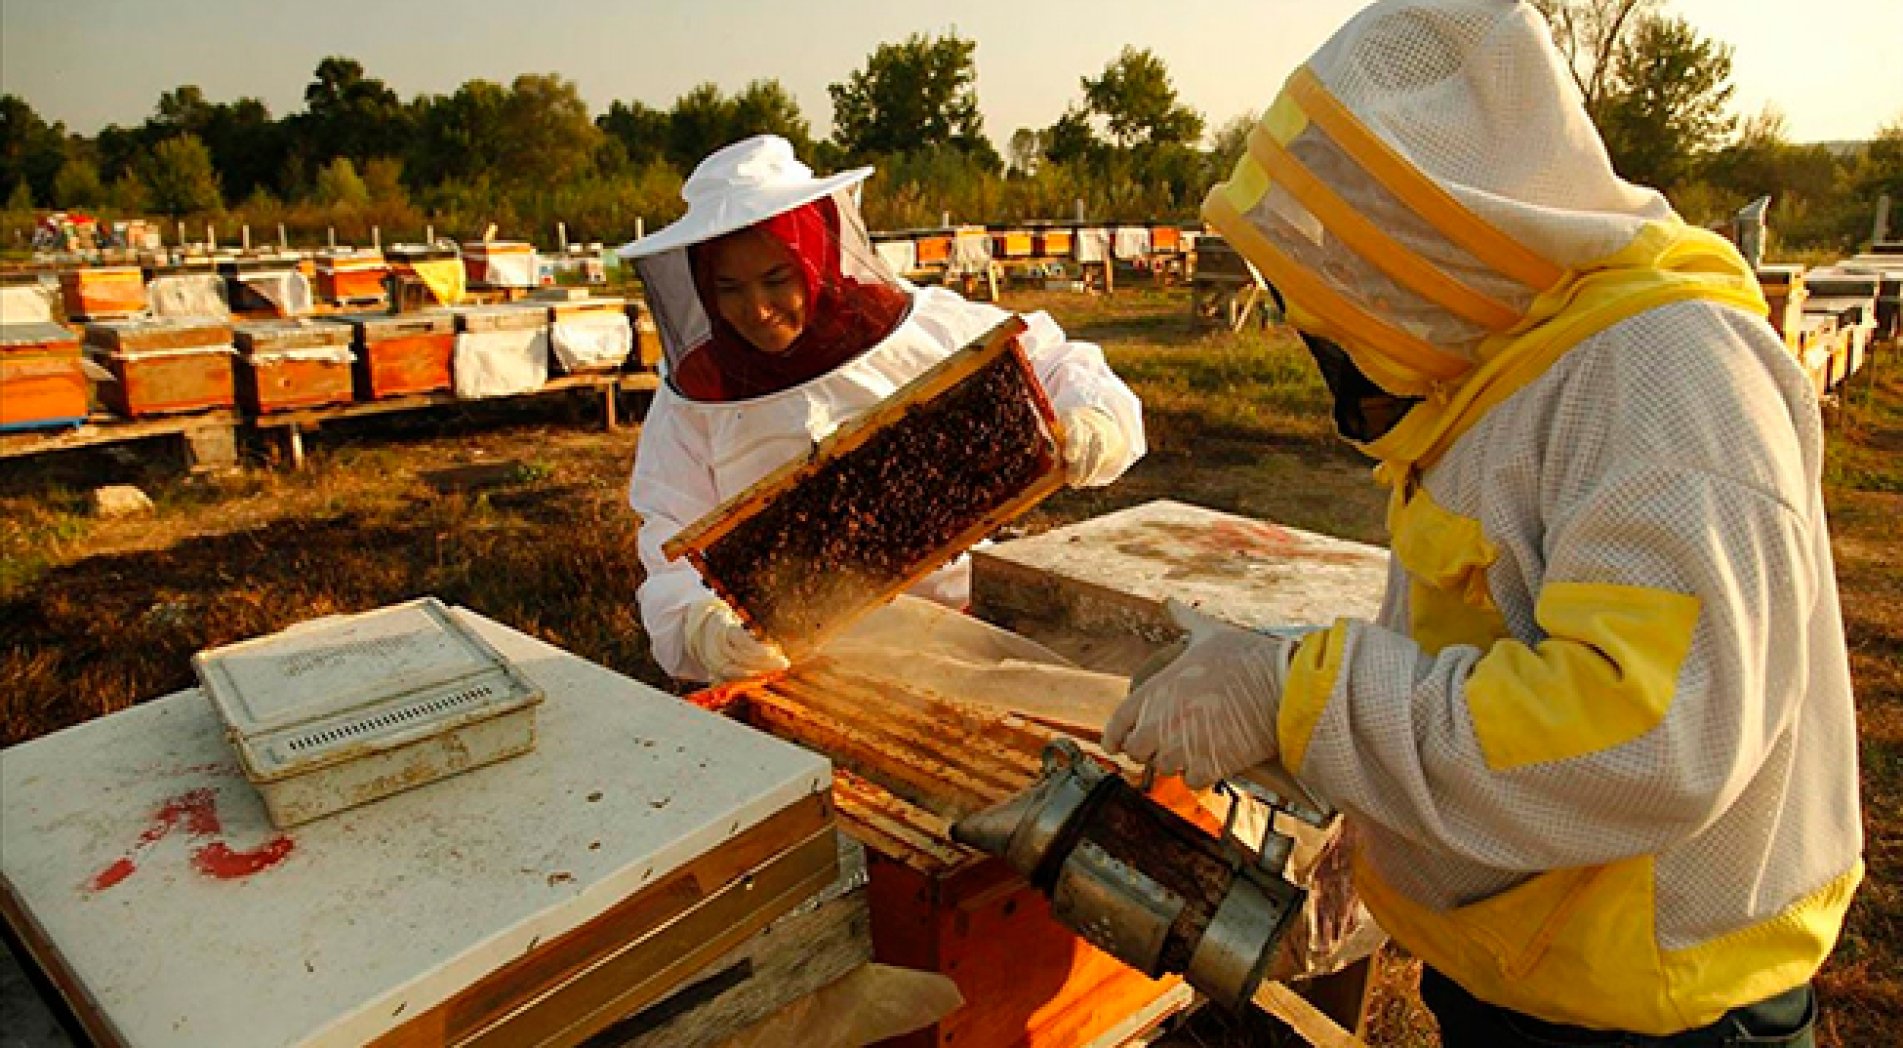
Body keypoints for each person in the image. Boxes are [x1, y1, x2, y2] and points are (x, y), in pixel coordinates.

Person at [1102, 1, 1860, 1044]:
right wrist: (1283, 692)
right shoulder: (1524, 367)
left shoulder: (1666, 375)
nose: (1332, 302)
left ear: (1435, 223)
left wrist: (1297, 698)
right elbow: (1493, 655)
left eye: (1356, 245)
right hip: (1534, 974)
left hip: (1656, 1020)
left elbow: (1643, 731)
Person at [622, 135, 1145, 683]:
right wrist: (701, 627)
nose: (756, 309)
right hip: (800, 666)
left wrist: (1094, 415)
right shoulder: (697, 395)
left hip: (959, 621)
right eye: (728, 288)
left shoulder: (921, 328)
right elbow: (669, 534)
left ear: (815, 260)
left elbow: (1056, 362)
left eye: (777, 279)